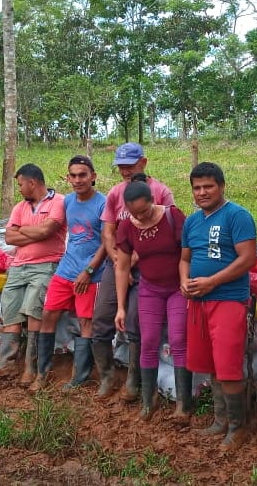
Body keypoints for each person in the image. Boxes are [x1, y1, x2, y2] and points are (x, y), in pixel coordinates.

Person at [179, 162, 257, 450]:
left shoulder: (237, 216)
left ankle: (237, 428)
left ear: (222, 186)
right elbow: (185, 258)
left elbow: (248, 258)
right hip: (198, 303)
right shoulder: (192, 221)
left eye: (208, 186)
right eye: (197, 188)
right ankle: (220, 420)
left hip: (227, 300)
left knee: (228, 366)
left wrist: (212, 281)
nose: (202, 192)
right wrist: (184, 281)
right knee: (211, 365)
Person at [91, 142, 175, 401]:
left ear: (143, 163)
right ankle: (106, 376)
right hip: (116, 263)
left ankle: (133, 381)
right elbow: (108, 232)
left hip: (145, 268)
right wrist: (118, 261)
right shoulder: (116, 193)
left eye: (130, 166)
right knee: (102, 319)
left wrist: (131, 262)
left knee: (137, 325)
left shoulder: (160, 192)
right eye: (121, 167)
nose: (125, 171)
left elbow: (164, 234)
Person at [116, 173, 190, 422]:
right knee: (148, 341)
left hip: (177, 288)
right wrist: (120, 307)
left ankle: (183, 404)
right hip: (150, 289)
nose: (141, 218)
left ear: (152, 201)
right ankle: (149, 401)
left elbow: (187, 253)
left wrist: (185, 282)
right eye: (135, 214)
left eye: (145, 211)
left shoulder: (172, 216)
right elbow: (123, 267)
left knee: (179, 339)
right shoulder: (127, 226)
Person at [0, 164, 66, 383]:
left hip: (46, 266)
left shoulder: (58, 202)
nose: (19, 188)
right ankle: (6, 365)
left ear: (32, 182)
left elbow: (48, 230)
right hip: (18, 267)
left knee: (33, 311)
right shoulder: (20, 207)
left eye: (20, 184)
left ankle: (31, 367)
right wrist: (36, 234)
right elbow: (9, 237)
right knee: (10, 311)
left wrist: (26, 231)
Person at [30, 156, 107, 392]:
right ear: (67, 178)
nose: (77, 180)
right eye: (72, 175)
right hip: (66, 269)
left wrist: (89, 270)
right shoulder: (68, 202)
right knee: (48, 314)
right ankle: (42, 373)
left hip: (91, 275)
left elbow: (106, 243)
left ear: (93, 176)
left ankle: (79, 377)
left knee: (86, 321)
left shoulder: (103, 203)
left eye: (82, 175)